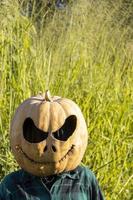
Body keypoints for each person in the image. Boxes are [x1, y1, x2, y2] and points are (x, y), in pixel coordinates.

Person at [0, 91, 105, 200]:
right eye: (36, 135)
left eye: (61, 134)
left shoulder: (84, 180)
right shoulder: (11, 186)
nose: (49, 147)